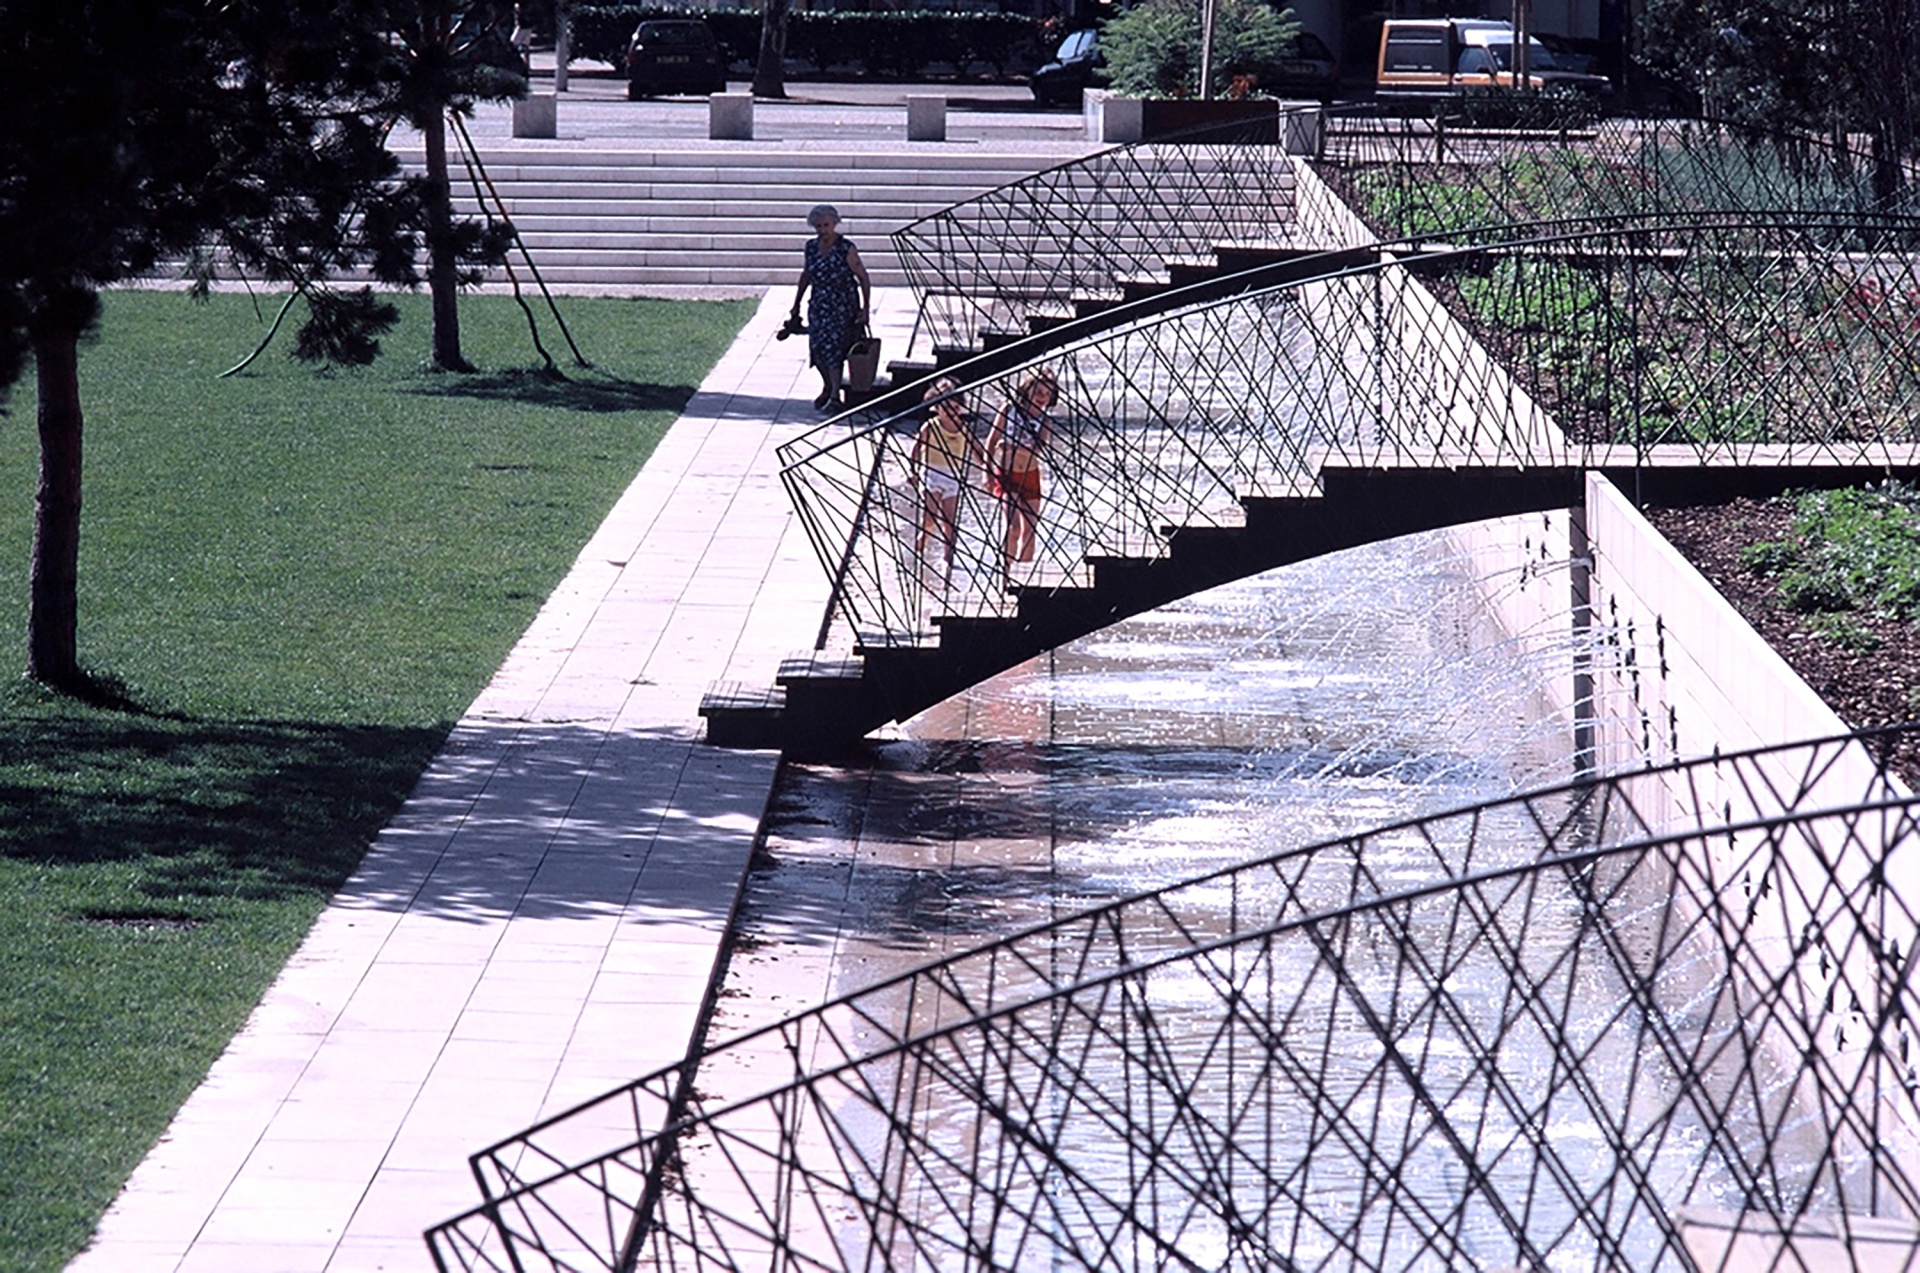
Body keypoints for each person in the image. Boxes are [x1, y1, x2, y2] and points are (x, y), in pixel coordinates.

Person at [789, 205, 872, 410]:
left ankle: (835, 395)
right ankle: (827, 386)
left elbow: (863, 277)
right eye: (818, 226)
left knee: (834, 349)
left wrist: (865, 308)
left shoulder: (846, 248)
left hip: (842, 306)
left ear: (834, 224)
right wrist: (796, 304)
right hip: (819, 305)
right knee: (817, 349)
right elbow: (806, 275)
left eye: (826, 225)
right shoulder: (810, 247)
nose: (823, 230)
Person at [910, 378, 981, 583]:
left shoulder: (963, 429)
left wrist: (988, 468)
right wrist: (912, 470)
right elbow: (915, 449)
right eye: (946, 406)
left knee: (949, 520)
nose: (950, 411)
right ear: (936, 407)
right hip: (932, 473)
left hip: (953, 476)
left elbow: (977, 450)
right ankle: (922, 539)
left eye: (954, 407)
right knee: (931, 514)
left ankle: (948, 556)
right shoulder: (930, 427)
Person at [986, 371, 1058, 572]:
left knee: (1030, 530)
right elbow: (991, 442)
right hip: (1007, 475)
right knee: (1014, 527)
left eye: (1047, 393)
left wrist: (1012, 447)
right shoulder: (1009, 409)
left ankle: (1025, 578)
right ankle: (1006, 575)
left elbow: (1037, 449)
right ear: (1027, 390)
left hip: (1031, 476)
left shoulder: (1045, 421)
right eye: (1038, 391)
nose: (1042, 397)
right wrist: (987, 472)